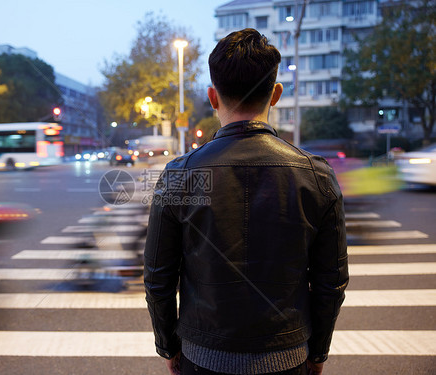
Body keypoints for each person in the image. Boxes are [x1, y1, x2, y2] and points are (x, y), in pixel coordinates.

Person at [144, 28, 349, 375]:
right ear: (276, 95)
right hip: (287, 359)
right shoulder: (317, 176)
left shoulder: (179, 175)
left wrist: (169, 346)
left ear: (212, 97)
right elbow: (331, 282)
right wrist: (317, 354)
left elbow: (158, 279)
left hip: (203, 358)